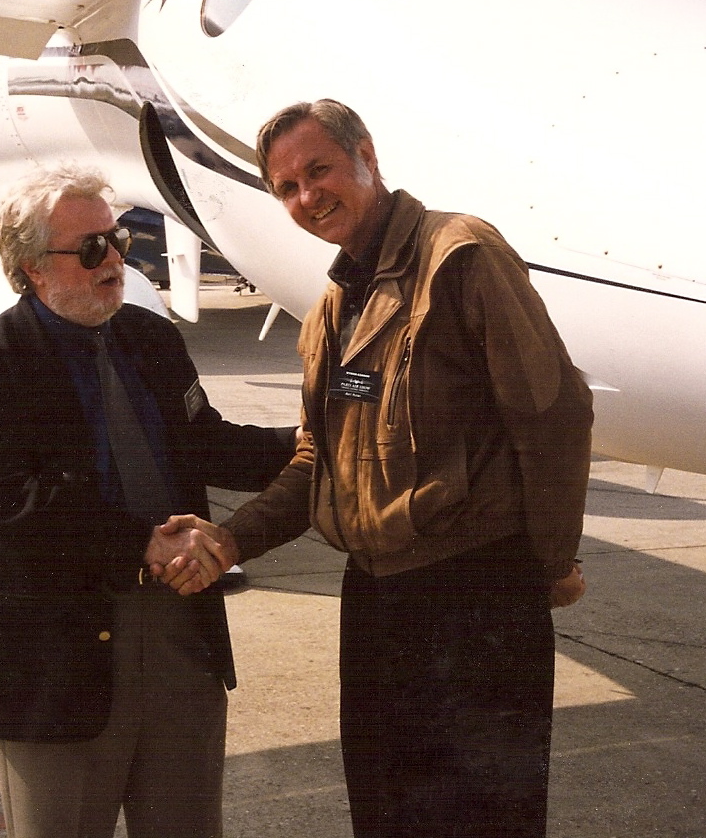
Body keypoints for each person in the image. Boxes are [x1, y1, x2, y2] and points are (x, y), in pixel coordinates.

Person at [175, 99, 593, 838]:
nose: (307, 197)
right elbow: (319, 460)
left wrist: (548, 560)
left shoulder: (459, 255)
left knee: (485, 819)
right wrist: (231, 540)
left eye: (319, 170)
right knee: (385, 811)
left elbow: (553, 414)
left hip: (474, 592)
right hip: (375, 597)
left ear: (366, 152)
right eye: (287, 188)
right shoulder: (336, 303)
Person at [0, 164, 295, 838]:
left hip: (178, 639)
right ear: (31, 269)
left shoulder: (153, 339)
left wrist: (310, 440)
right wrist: (142, 541)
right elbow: (12, 502)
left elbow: (210, 446)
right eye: (90, 249)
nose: (113, 259)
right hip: (57, 655)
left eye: (117, 242)